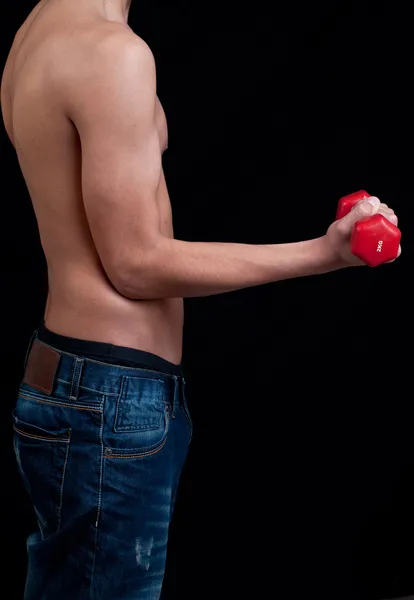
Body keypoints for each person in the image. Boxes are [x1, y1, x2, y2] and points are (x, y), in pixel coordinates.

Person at [0, 0, 401, 598]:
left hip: (73, 387)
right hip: (110, 403)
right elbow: (134, 264)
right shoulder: (111, 54)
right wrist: (324, 253)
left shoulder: (38, 30)